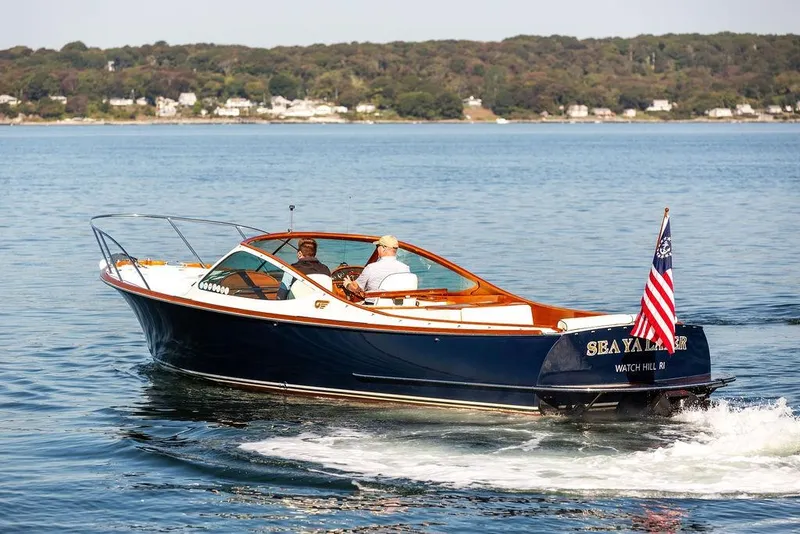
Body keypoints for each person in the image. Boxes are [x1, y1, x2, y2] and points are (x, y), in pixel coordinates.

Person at [342, 235, 409, 295]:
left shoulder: (371, 268)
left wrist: (347, 284)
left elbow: (356, 288)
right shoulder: (405, 268)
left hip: (374, 305)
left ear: (383, 248)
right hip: (398, 306)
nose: (377, 249)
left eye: (378, 246)